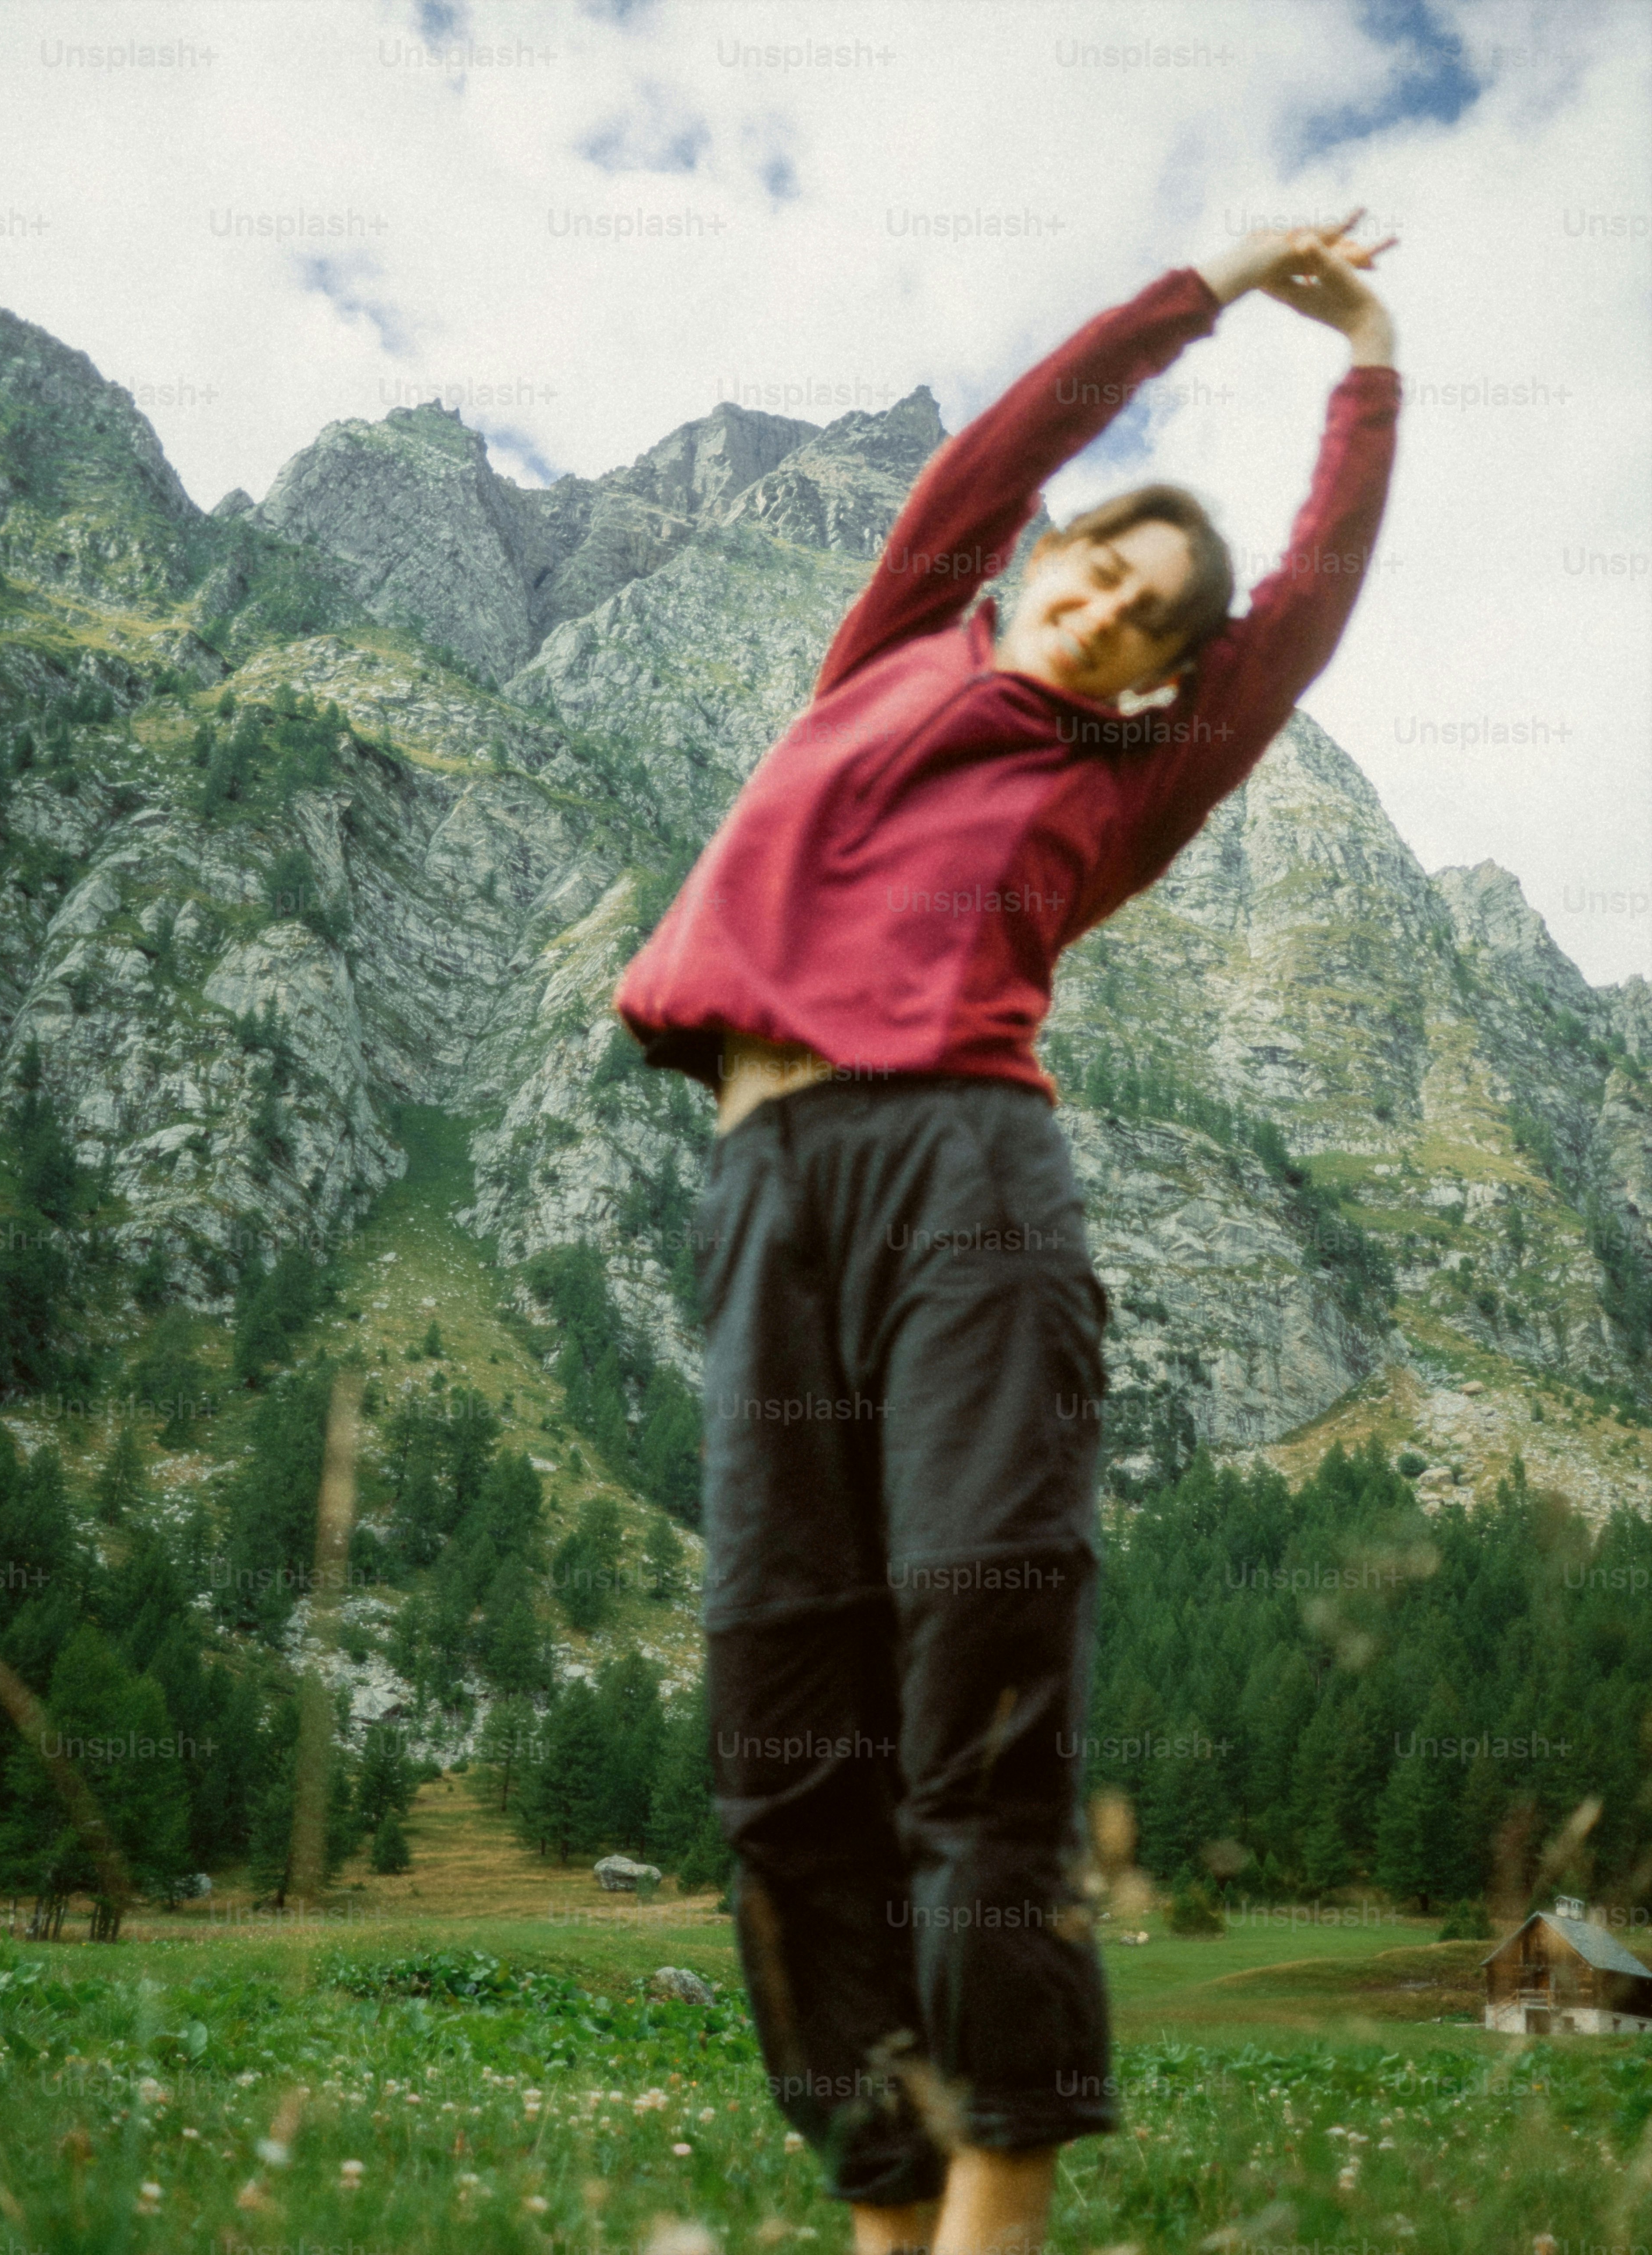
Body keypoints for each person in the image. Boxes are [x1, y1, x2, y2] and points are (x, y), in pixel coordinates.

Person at [612, 213, 1399, 2255]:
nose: (1109, 617)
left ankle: (1005, 2191)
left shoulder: (1118, 784)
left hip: (971, 1183)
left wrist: (1367, 367)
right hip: (766, 1196)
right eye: (1099, 569)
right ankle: (885, 2202)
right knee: (782, 1743)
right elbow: (1009, 442)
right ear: (1042, 559)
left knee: (978, 1683)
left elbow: (1297, 614)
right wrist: (1207, 290)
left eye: (1152, 622)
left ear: (1160, 674)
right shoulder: (892, 645)